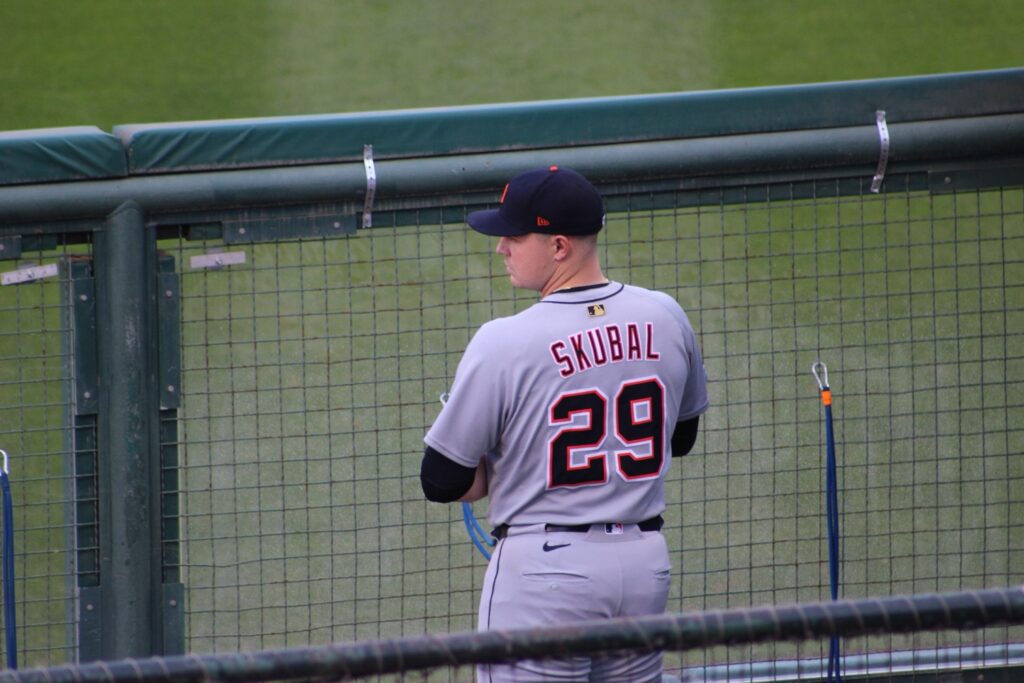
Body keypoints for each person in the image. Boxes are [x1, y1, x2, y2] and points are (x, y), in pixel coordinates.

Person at [421, 165, 709, 682]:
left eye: (513, 236)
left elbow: (440, 480)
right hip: (644, 568)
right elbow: (680, 438)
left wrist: (498, 466)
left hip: (544, 578)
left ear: (558, 247)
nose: (500, 248)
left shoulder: (504, 341)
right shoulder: (666, 315)